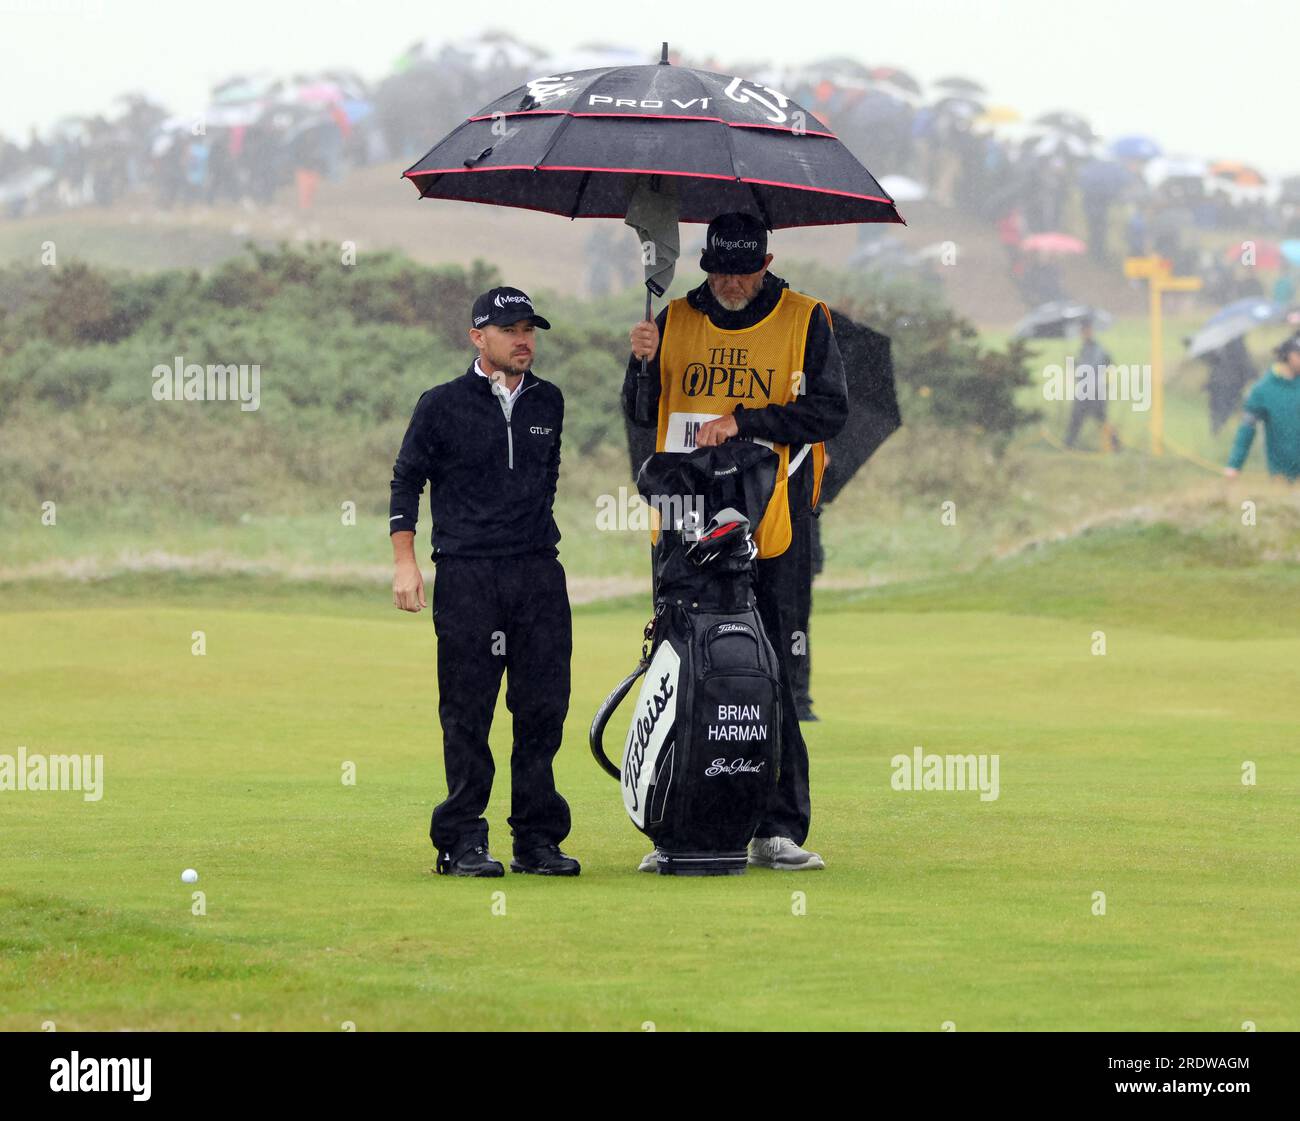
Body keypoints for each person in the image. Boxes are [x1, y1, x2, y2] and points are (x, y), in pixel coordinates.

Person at [623, 212, 848, 872]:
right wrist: (641, 365)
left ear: (768, 261)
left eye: (743, 272)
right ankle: (676, 822)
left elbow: (830, 411)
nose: (730, 284)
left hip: (765, 523)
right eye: (720, 271)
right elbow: (641, 411)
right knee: (678, 669)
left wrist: (745, 420)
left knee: (769, 669)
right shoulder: (671, 320)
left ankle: (777, 826)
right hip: (680, 525)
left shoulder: (807, 319)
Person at [389, 287, 580, 878]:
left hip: (537, 573)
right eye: (510, 329)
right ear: (478, 337)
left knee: (543, 708)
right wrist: (405, 561)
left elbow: (542, 483)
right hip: (468, 574)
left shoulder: (549, 401)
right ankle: (461, 840)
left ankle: (536, 840)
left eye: (530, 329)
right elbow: (405, 481)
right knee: (468, 710)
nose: (524, 340)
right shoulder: (441, 404)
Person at [1224, 336, 1300, 481]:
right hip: (1282, 475)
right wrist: (1234, 465)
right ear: (1287, 355)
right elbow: (1246, 429)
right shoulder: (1263, 390)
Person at [1064, 317, 1120, 452]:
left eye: (1085, 331)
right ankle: (1068, 446)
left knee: (1099, 420)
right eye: (1082, 332)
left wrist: (1073, 364)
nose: (1083, 334)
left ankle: (1116, 445)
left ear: (1090, 331)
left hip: (1094, 392)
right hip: (1087, 391)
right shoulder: (1086, 349)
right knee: (1076, 419)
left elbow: (1089, 369)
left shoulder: (1097, 349)